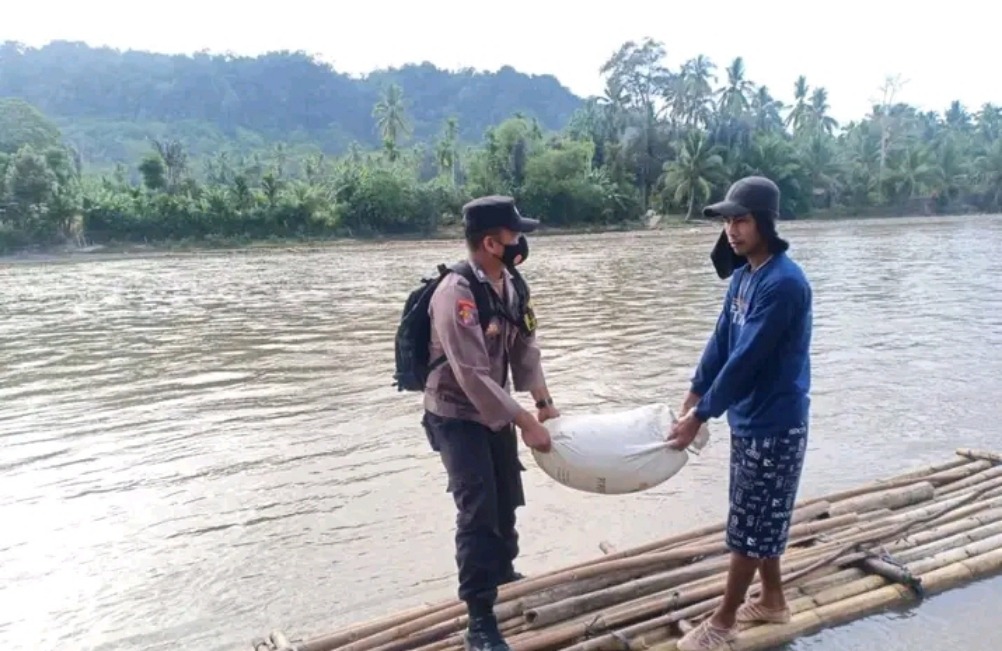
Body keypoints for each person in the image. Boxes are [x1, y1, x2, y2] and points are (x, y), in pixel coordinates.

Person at [667, 176, 813, 651]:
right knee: (758, 517)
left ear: (765, 222)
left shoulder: (784, 283)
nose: (732, 229)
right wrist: (694, 390)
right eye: (728, 220)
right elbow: (722, 342)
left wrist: (702, 415)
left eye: (741, 219)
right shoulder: (747, 276)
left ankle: (724, 621)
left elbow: (747, 359)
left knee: (749, 527)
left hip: (776, 423)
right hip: (749, 420)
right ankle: (772, 599)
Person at [421, 195, 559, 651]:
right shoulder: (456, 294)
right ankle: (479, 617)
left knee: (506, 496)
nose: (521, 241)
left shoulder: (513, 286)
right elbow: (471, 374)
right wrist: (522, 421)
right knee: (478, 507)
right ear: (490, 242)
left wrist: (542, 403)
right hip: (457, 414)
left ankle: (503, 572)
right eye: (515, 234)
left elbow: (525, 349)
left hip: (496, 411)